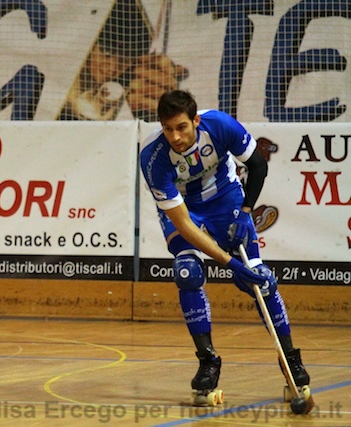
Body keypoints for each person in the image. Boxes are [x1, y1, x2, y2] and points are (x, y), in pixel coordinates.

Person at [140, 90, 310, 405]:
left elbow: (257, 166)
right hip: (185, 211)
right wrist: (228, 263)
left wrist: (246, 213)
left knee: (260, 279)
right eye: (168, 129)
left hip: (224, 197)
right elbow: (185, 225)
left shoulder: (219, 125)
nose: (175, 137)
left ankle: (290, 359)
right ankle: (208, 362)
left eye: (181, 127)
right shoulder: (152, 157)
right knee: (187, 272)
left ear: (195, 120)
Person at [59, 0, 187, 122]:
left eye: (124, 60)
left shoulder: (134, 82)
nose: (113, 68)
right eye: (106, 54)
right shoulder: (65, 68)